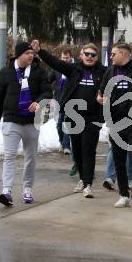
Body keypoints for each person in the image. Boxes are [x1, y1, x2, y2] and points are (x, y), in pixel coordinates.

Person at [32, 40, 106, 198]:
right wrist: (40, 51)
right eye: (87, 54)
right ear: (81, 55)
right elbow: (55, 63)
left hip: (93, 117)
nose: (90, 57)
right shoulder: (74, 69)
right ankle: (82, 179)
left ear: (97, 57)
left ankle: (88, 184)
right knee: (77, 149)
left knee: (88, 149)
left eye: (93, 55)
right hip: (74, 116)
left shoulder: (103, 71)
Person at [0, 42, 52, 206]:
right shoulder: (6, 72)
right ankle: (6, 191)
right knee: (9, 156)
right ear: (18, 55)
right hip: (12, 120)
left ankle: (27, 189)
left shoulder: (39, 71)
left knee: (30, 157)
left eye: (32, 53)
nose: (31, 56)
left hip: (32, 122)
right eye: (27, 53)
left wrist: (39, 102)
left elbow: (47, 91)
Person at [98, 43, 132, 210]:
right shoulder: (110, 72)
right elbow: (101, 92)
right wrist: (100, 99)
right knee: (119, 162)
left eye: (113, 54)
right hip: (116, 123)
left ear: (124, 54)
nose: (111, 57)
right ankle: (123, 195)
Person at [48, 49, 72, 155]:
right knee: (59, 124)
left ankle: (66, 146)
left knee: (67, 124)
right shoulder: (56, 69)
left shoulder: (74, 69)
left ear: (70, 58)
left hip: (70, 101)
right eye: (63, 58)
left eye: (67, 58)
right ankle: (62, 143)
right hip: (58, 100)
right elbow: (48, 81)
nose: (65, 60)